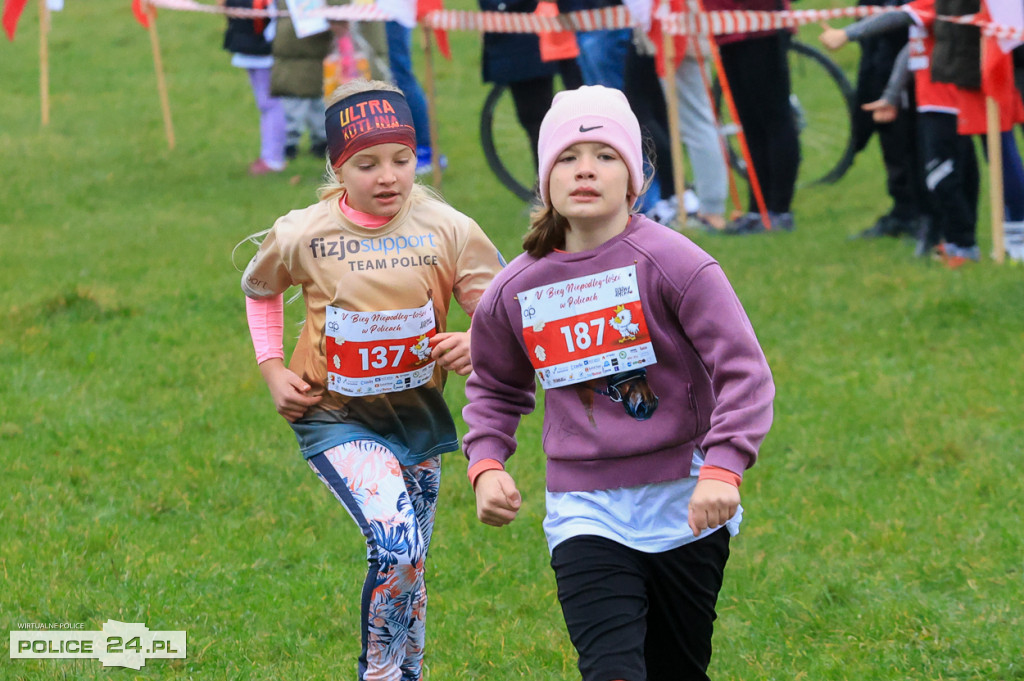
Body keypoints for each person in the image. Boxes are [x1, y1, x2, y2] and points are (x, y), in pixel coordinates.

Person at [462, 85, 775, 681]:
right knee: (611, 671)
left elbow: (745, 373)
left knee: (677, 669)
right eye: (568, 158)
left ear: (633, 179)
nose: (586, 170)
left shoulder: (677, 265)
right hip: (585, 509)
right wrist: (488, 464)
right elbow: (495, 387)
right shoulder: (515, 288)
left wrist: (723, 467)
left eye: (606, 156)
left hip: (686, 500)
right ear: (544, 179)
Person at [240, 80, 504, 680]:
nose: (388, 176)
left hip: (418, 418)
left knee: (412, 562)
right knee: (395, 546)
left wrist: (476, 341)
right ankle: (380, 674)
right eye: (367, 164)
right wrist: (273, 367)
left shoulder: (449, 228)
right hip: (333, 416)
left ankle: (411, 670)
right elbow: (259, 291)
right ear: (337, 167)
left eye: (402, 160)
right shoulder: (303, 233)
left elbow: (502, 309)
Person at [703, 0, 800, 234]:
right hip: (728, 30)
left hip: (760, 27)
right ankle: (758, 209)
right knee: (750, 125)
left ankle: (779, 210)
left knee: (773, 119)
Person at [220, 0, 288, 175]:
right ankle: (269, 156)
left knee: (270, 104)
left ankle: (273, 159)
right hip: (250, 44)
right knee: (266, 104)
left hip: (264, 47)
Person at [270, 0, 333, 160]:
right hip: (298, 48)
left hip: (311, 47)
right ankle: (292, 142)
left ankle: (316, 139)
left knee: (314, 100)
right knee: (296, 100)